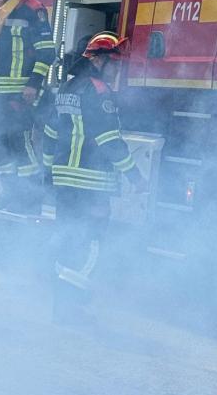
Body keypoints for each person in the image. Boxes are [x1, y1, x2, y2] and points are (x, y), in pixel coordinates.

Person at [42, 32, 145, 325]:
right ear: (98, 60)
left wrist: (48, 171)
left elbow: (50, 133)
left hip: (64, 180)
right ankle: (72, 309)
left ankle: (61, 309)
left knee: (67, 239)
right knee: (91, 244)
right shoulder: (99, 92)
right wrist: (135, 177)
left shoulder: (67, 88)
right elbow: (109, 140)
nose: (116, 69)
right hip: (92, 182)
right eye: (114, 62)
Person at [0, 0, 55, 214]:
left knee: (20, 142)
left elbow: (47, 53)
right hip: (2, 91)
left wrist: (33, 84)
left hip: (22, 92)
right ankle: (11, 194)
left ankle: (31, 197)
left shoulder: (33, 10)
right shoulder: (2, 10)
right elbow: (0, 55)